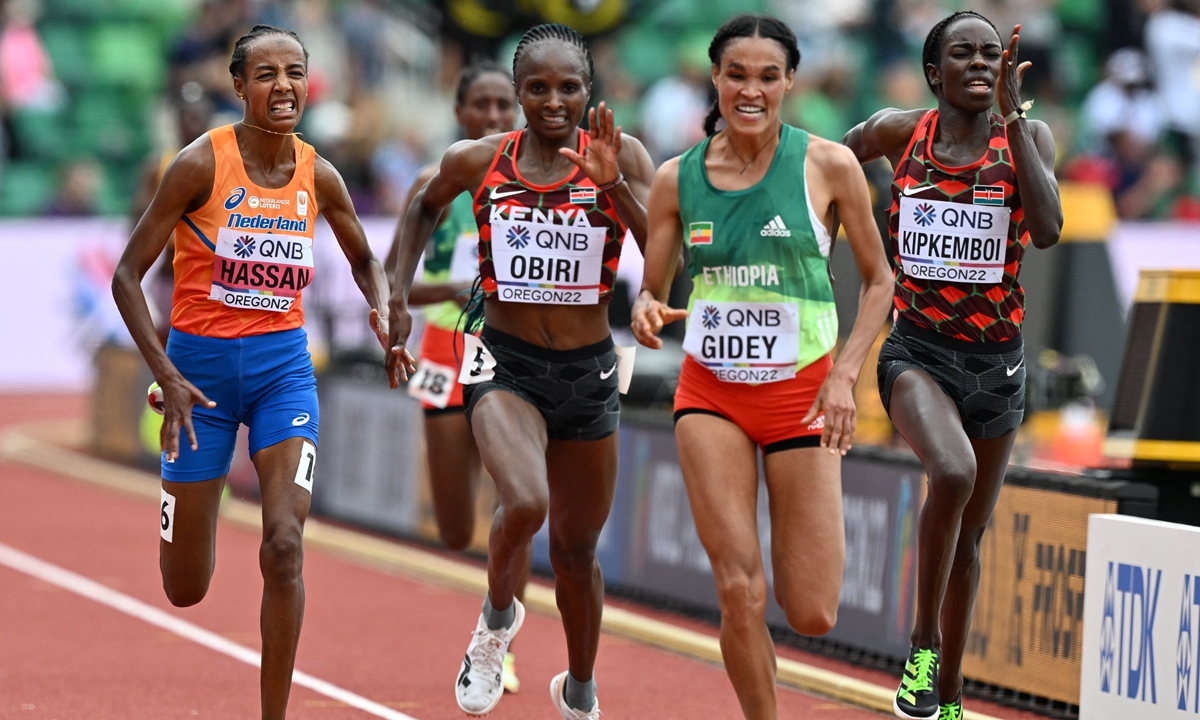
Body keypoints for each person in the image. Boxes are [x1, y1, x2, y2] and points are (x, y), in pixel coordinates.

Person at [111, 25, 403, 720]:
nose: (283, 87)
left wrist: (385, 308)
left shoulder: (318, 173)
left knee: (284, 547)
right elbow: (127, 276)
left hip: (283, 377)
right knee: (185, 587)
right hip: (196, 388)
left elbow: (366, 259)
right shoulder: (197, 165)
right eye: (266, 75)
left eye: (295, 72)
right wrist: (166, 372)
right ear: (238, 88)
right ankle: (202, 498)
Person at [386, 23, 654, 720]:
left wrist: (614, 183)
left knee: (574, 550)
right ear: (518, 92)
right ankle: (494, 624)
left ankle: (581, 687)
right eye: (537, 87)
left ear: (589, 90)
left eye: (569, 87)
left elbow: (666, 247)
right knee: (525, 502)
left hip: (591, 372)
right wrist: (395, 296)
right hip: (502, 364)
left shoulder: (622, 153)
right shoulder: (481, 160)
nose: (554, 101)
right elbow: (420, 206)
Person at [630, 14, 893, 720]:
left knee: (811, 611)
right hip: (710, 394)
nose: (751, 89)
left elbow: (880, 282)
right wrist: (648, 311)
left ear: (789, 83)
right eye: (736, 75)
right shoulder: (674, 179)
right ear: (714, 80)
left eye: (767, 77)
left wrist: (844, 375)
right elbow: (651, 291)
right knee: (739, 588)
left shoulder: (828, 164)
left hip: (804, 394)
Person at [842, 12, 1061, 719]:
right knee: (953, 471)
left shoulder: (1028, 137)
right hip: (917, 354)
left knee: (969, 538)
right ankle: (920, 648)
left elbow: (1051, 228)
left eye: (991, 54)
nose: (978, 63)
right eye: (961, 53)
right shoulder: (900, 132)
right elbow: (840, 161)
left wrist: (1015, 123)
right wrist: (869, 220)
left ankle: (952, 695)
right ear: (934, 73)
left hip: (997, 367)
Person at [382, 60, 528, 695]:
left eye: (504, 107)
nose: (493, 118)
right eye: (482, 107)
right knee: (453, 527)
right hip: (444, 350)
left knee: (515, 497)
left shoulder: (535, 180)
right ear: (460, 113)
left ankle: (500, 639)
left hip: (507, 351)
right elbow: (393, 280)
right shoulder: (434, 181)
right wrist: (457, 285)